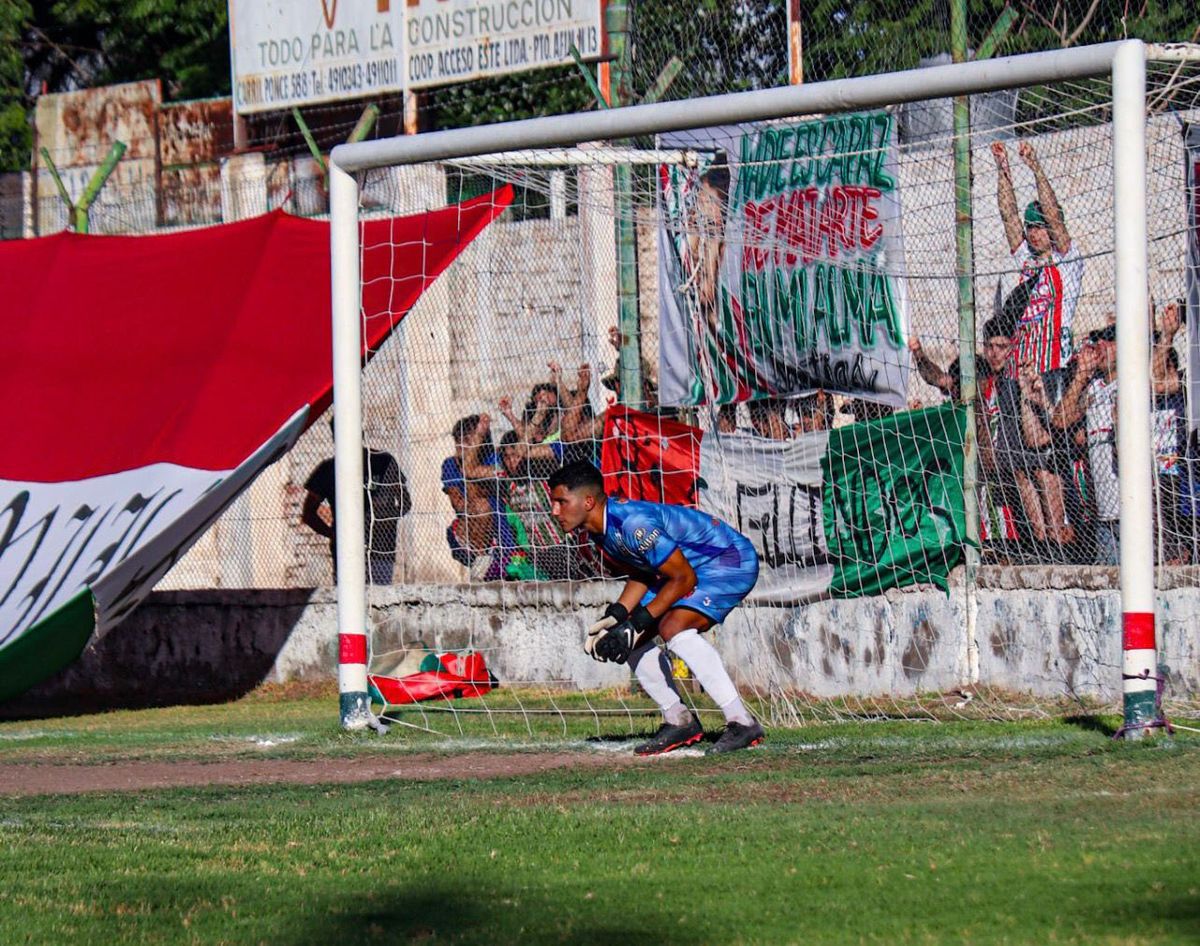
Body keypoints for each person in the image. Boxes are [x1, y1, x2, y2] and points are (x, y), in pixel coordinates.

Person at [548, 460, 763, 756]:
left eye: (561, 501)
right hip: (690, 570)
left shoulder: (634, 524)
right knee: (625, 639)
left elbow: (683, 577)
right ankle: (679, 719)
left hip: (728, 561)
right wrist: (617, 616)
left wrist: (635, 622)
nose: (554, 511)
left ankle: (742, 721)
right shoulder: (600, 529)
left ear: (587, 501)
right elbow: (646, 573)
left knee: (672, 627)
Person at [991, 140, 1085, 380]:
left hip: (1055, 363)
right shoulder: (1027, 259)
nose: (1033, 233)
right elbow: (1008, 214)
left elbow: (1054, 218)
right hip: (1023, 361)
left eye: (1040, 227)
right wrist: (1003, 167)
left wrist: (1036, 168)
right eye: (1030, 227)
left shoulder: (1066, 259)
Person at [302, 432, 411, 585]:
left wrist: (384, 518)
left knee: (379, 598)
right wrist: (333, 534)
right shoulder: (328, 470)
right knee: (348, 598)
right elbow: (308, 514)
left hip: (381, 548)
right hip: (346, 551)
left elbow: (405, 502)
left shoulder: (383, 461)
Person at [1050, 324, 1119, 564]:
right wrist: (1081, 375)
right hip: (1103, 512)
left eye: (1108, 340)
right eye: (1096, 340)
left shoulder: (1133, 383)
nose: (1099, 346)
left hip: (1134, 508)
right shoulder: (1094, 389)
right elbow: (1060, 420)